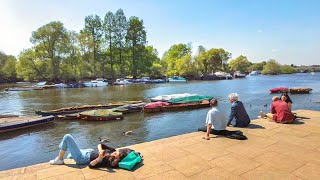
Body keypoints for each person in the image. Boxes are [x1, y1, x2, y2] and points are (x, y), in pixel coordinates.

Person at [49, 134, 132, 169]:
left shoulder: (108, 162)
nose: (114, 152)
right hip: (87, 151)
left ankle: (59, 159)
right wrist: (100, 150)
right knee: (69, 154)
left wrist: (99, 158)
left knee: (67, 137)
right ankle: (63, 157)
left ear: (118, 159)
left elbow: (90, 166)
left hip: (82, 158)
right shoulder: (113, 150)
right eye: (116, 152)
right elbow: (100, 144)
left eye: (116, 154)